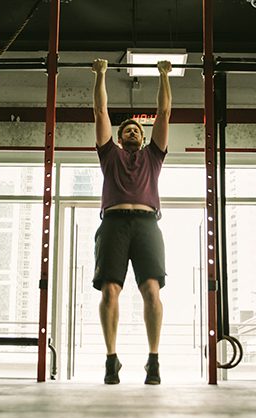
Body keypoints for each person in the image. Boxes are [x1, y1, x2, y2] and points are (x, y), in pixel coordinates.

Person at [91, 58, 171, 385]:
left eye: (137, 129)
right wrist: (101, 75)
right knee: (110, 291)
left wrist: (164, 75)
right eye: (128, 130)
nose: (133, 132)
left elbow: (164, 113)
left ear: (143, 136)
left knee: (151, 290)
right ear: (121, 138)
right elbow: (100, 112)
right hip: (113, 224)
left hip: (147, 225)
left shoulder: (154, 155)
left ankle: (153, 360)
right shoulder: (110, 154)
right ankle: (112, 360)